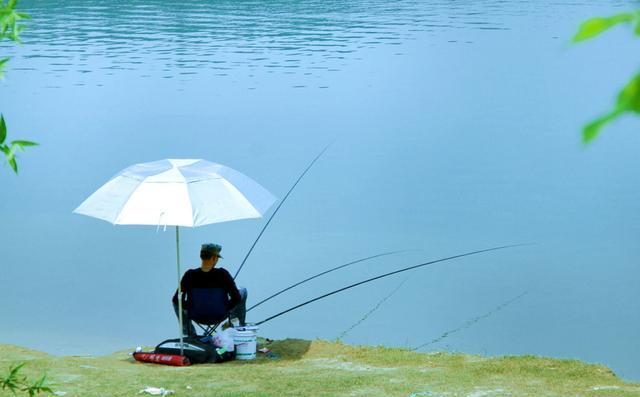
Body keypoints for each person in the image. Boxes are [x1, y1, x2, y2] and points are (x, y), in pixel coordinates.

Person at [172, 243, 247, 336]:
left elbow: (176, 300)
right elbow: (236, 298)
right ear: (214, 258)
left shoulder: (189, 275)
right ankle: (237, 327)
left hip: (196, 315)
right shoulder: (223, 274)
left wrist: (190, 307)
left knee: (176, 302)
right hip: (220, 314)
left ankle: (189, 333)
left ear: (201, 257)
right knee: (243, 290)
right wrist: (227, 308)